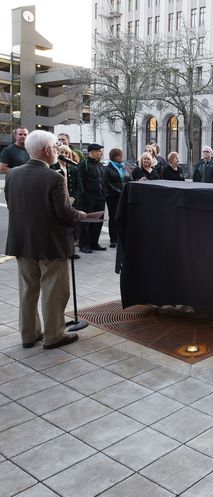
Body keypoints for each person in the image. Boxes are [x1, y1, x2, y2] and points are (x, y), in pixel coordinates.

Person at [4, 130, 86, 349]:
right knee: (53, 291)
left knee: (28, 290)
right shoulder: (54, 177)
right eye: (56, 148)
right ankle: (54, 335)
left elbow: (15, 205)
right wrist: (79, 214)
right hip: (51, 243)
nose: (58, 152)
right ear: (48, 150)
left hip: (22, 242)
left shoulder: (12, 175)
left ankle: (29, 335)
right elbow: (64, 214)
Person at [77, 143, 107, 253]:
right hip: (87, 198)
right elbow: (80, 182)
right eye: (99, 151)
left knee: (98, 220)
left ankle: (94, 243)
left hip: (100, 197)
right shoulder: (83, 164)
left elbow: (103, 181)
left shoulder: (100, 165)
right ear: (92, 152)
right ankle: (84, 245)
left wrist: (104, 194)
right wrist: (84, 195)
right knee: (86, 221)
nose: (101, 153)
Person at [102, 148, 132, 248]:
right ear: (114, 156)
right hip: (113, 196)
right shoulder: (108, 168)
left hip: (124, 195)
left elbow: (129, 178)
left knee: (123, 216)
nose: (121, 157)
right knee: (114, 217)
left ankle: (121, 237)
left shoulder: (124, 167)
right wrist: (118, 190)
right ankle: (113, 239)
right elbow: (107, 182)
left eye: (121, 155)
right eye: (119, 155)